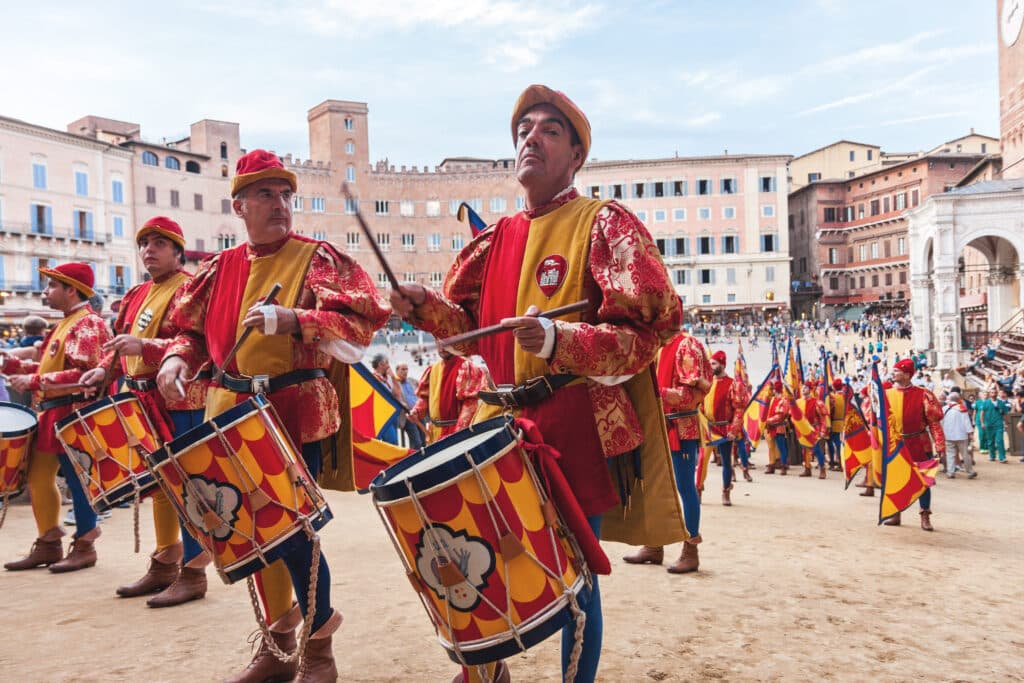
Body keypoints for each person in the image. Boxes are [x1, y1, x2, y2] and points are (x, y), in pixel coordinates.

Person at [389, 85, 682, 683]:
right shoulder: (494, 240)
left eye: (550, 129)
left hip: (574, 423)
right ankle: (486, 673)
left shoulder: (604, 224)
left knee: (575, 579)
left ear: (576, 154)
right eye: (524, 128)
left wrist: (560, 340)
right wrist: (423, 307)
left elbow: (650, 327)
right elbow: (468, 329)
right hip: (496, 425)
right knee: (483, 555)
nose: (531, 137)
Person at [156, 150, 390, 682]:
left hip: (288, 409)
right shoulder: (219, 269)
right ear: (239, 206)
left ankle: (320, 649)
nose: (280, 203)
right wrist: (174, 359)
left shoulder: (319, 258)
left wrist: (295, 319)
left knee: (291, 532)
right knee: (248, 534)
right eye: (266, 194)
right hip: (229, 410)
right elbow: (189, 334)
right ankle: (277, 645)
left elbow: (362, 323)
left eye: (286, 194)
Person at [79, 217, 212, 607]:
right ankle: (165, 561)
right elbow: (122, 345)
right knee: (160, 486)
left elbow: (197, 341)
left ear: (177, 250)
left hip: (180, 398)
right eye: (144, 243)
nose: (148, 250)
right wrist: (104, 369)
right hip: (141, 400)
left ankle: (194, 571)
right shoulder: (137, 293)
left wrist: (149, 349)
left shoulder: (190, 287)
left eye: (158, 243)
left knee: (188, 486)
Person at [2, 263, 112, 572]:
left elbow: (83, 373)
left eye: (52, 286)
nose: (45, 291)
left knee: (76, 478)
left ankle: (86, 541)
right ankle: (49, 540)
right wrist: (12, 365)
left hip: (72, 411)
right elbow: (48, 369)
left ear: (71, 289)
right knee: (38, 476)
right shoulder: (66, 323)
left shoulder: (87, 323)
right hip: (55, 410)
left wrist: (34, 382)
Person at [623, 328, 711, 573]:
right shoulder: (655, 346)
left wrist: (655, 395)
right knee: (653, 485)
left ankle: (691, 549)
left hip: (680, 426)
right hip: (657, 425)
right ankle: (654, 544)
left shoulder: (687, 345)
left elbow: (694, 394)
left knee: (684, 487)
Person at [884, 358, 945, 531]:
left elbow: (934, 423)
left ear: (907, 374)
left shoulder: (924, 394)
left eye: (896, 371)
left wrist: (940, 445)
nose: (893, 373)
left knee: (923, 481)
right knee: (895, 479)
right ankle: (896, 513)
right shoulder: (887, 394)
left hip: (919, 442)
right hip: (896, 443)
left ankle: (925, 515)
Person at [702, 350, 748, 503]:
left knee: (726, 462)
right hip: (707, 427)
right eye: (709, 363)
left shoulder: (733, 384)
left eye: (714, 363)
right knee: (702, 459)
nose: (710, 366)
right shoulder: (706, 382)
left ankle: (726, 491)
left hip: (724, 429)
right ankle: (698, 489)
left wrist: (733, 430)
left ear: (722, 364)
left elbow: (739, 409)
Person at [410, 347, 483, 444]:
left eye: (445, 342)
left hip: (455, 432)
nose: (442, 347)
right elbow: (425, 398)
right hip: (435, 433)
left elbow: (470, 404)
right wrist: (417, 411)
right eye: (438, 343)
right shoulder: (433, 368)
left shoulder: (466, 367)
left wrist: (459, 433)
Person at [797, 381, 830, 479]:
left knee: (816, 450)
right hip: (802, 429)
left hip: (814, 429)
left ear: (810, 390)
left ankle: (822, 468)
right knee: (805, 450)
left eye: (806, 388)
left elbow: (823, 417)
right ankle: (807, 468)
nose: (803, 389)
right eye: (803, 387)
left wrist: (823, 430)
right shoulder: (798, 402)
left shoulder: (817, 402)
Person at [941, 392, 975, 479]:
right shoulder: (962, 408)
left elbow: (941, 422)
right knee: (965, 454)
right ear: (958, 399)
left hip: (948, 435)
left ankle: (950, 472)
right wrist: (970, 433)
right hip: (961, 435)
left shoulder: (944, 408)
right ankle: (970, 472)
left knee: (950, 454)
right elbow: (966, 422)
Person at [370, 353, 401, 445]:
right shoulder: (373, 378)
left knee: (394, 442)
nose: (389, 366)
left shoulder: (387, 378)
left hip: (392, 413)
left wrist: (393, 377)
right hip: (382, 414)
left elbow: (397, 394)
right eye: (387, 363)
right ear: (380, 364)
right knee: (392, 441)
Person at [394, 362, 425, 450]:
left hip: (419, 413)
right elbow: (396, 398)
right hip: (407, 416)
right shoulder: (395, 384)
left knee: (424, 441)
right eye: (403, 369)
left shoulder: (412, 381)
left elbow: (423, 388)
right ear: (397, 371)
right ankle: (414, 459)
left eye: (406, 369)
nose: (405, 371)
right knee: (417, 443)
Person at [764, 380, 791, 475]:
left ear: (776, 390)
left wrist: (768, 421)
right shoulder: (772, 399)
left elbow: (781, 415)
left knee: (781, 448)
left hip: (779, 427)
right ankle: (771, 465)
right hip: (770, 427)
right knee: (771, 447)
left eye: (774, 389)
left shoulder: (784, 400)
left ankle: (783, 466)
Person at [979, 387, 1011, 463]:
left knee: (1000, 440)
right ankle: (992, 456)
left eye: (995, 392)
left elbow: (1005, 414)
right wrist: (982, 423)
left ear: (997, 393)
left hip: (999, 424)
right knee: (990, 441)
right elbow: (982, 414)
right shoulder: (985, 402)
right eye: (992, 392)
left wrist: (1006, 423)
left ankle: (1002, 457)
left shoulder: (1001, 403)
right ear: (990, 394)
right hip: (989, 424)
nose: (993, 394)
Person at [826, 379, 847, 471]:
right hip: (843, 421)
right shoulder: (846, 397)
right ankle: (840, 462)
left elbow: (830, 411)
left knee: (832, 442)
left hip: (834, 422)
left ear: (834, 387)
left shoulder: (833, 397)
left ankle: (834, 463)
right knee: (840, 443)